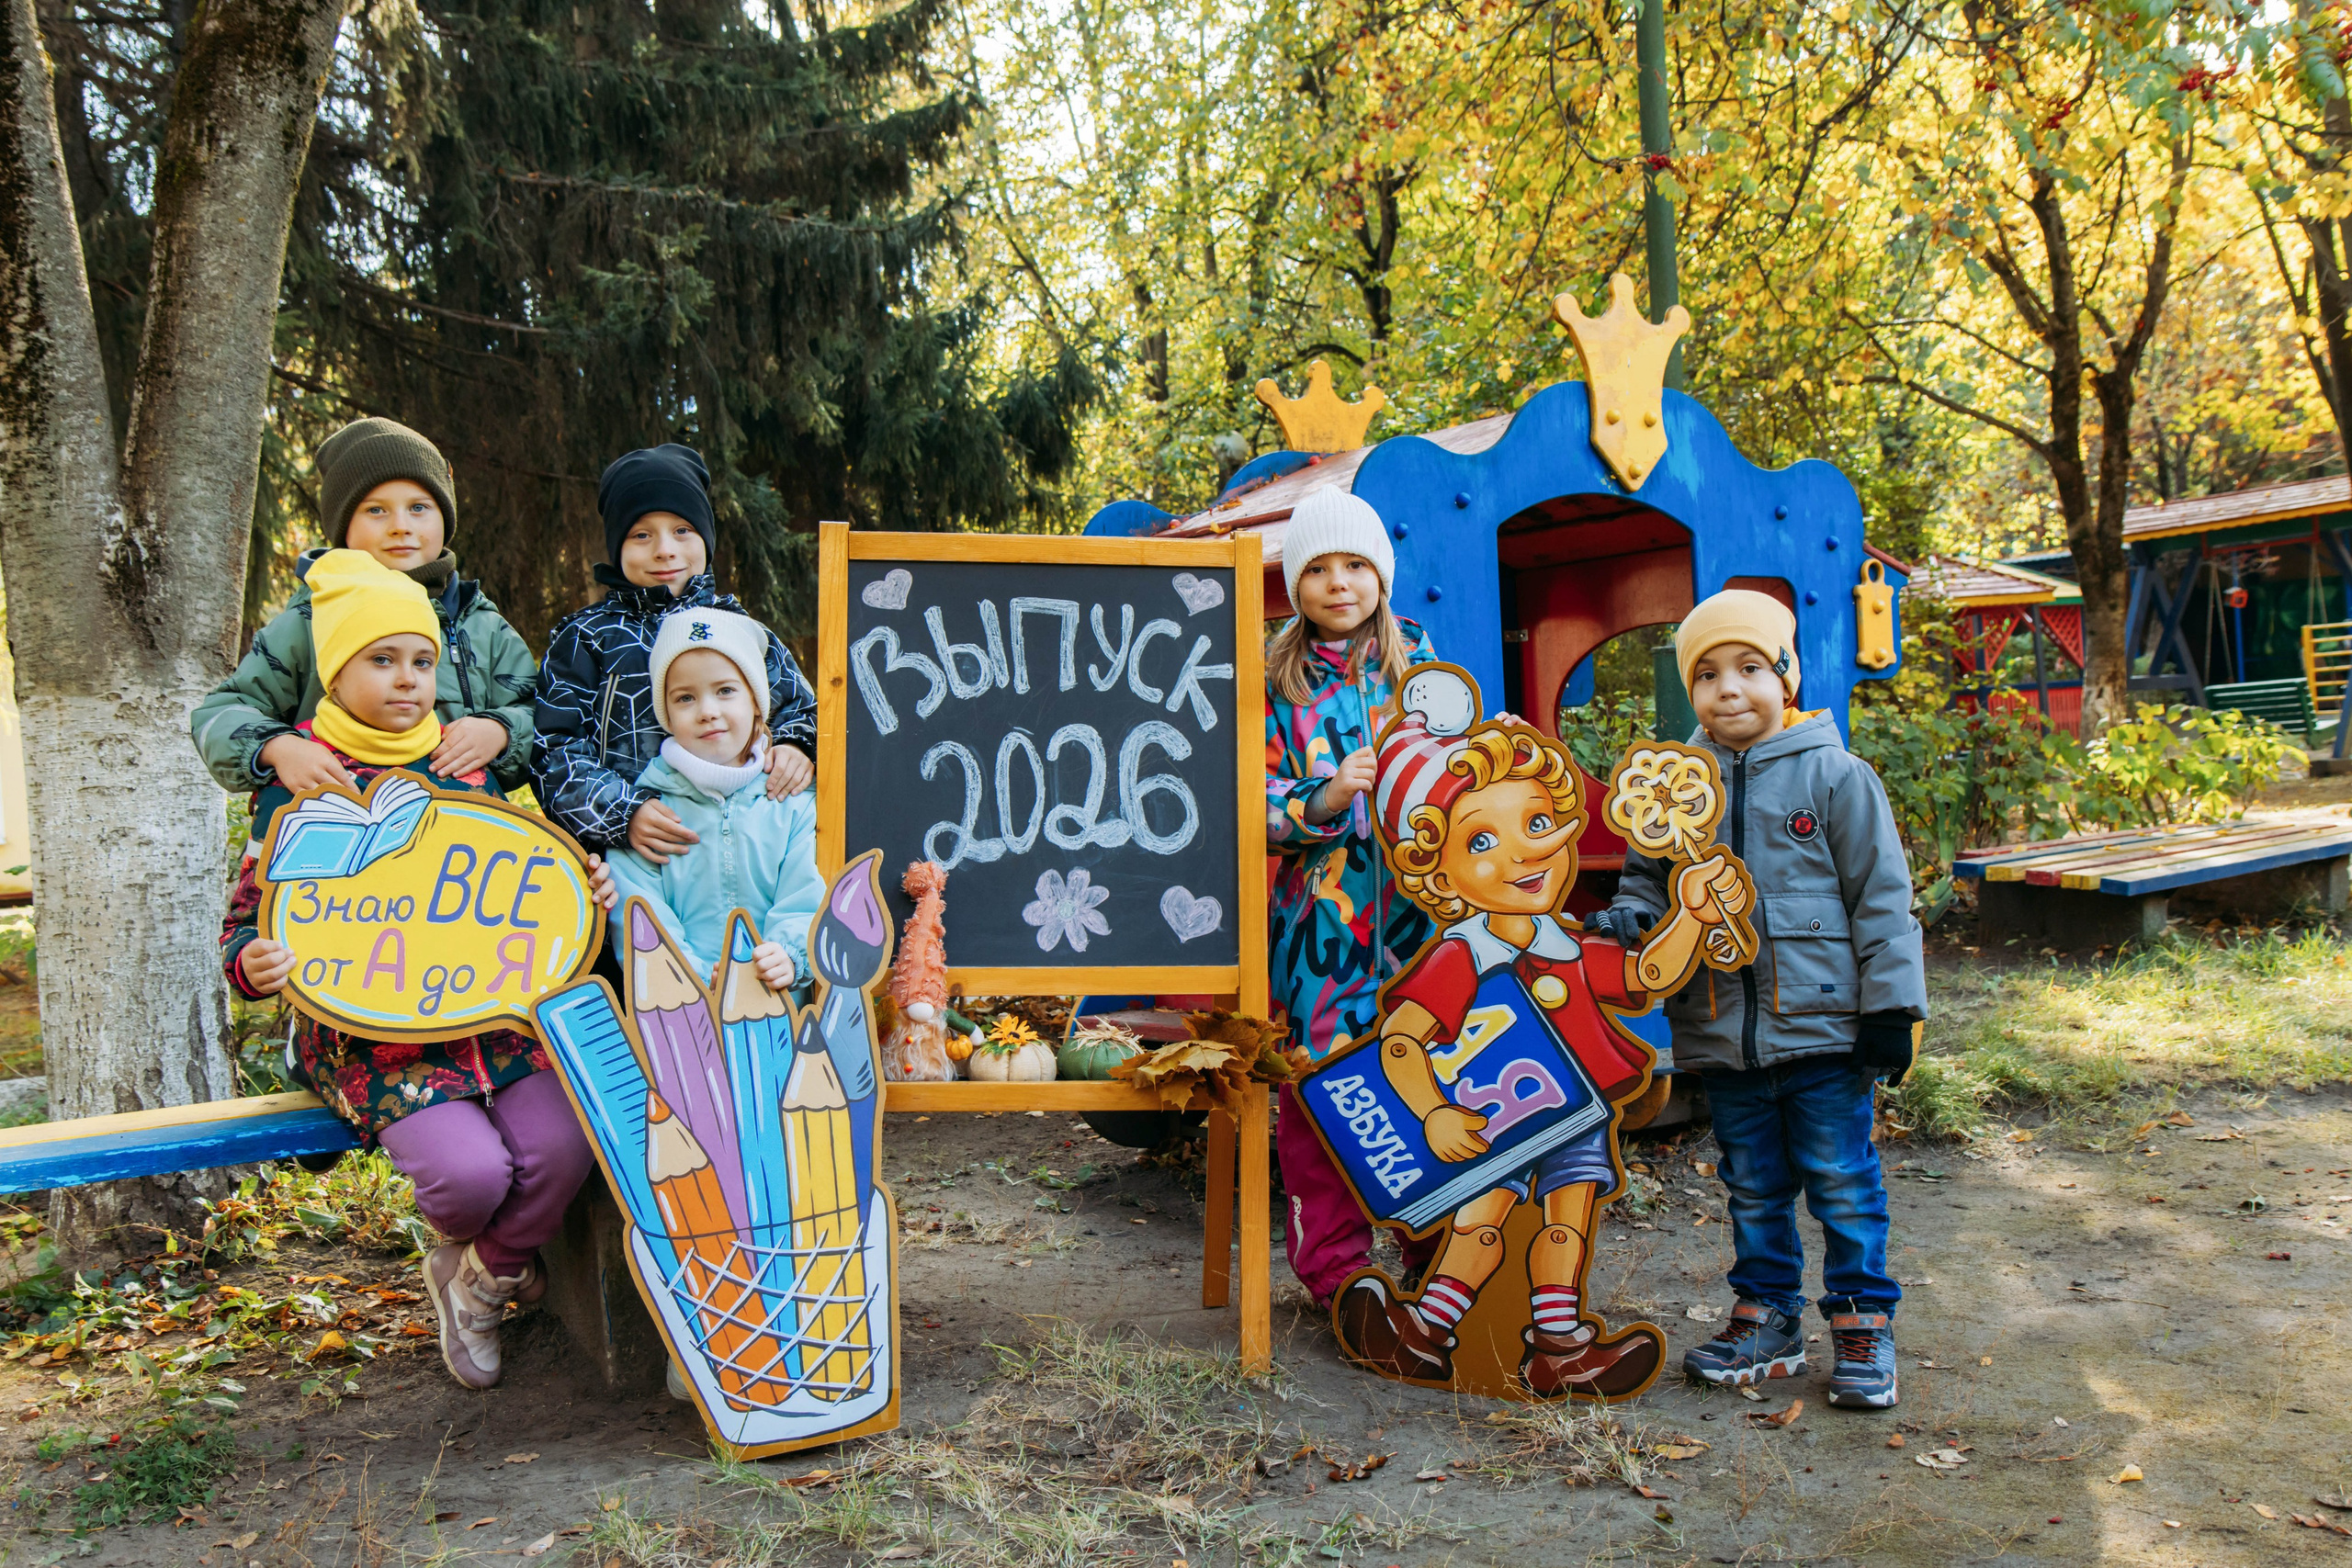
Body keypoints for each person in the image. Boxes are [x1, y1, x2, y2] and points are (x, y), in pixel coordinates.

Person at [220, 550, 611, 1392]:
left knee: (567, 1141)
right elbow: (247, 924)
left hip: (496, 1021)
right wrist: (253, 963)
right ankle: (480, 1247)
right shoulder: (299, 781)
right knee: (472, 1179)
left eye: (423, 661)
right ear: (337, 668)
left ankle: (479, 1278)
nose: (408, 680)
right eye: (382, 660)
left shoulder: (464, 770)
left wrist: (585, 887)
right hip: (377, 1041)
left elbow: (524, 881)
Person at [1330, 673, 1743, 1397]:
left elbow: (1646, 972)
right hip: (1491, 1118)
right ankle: (1424, 1334)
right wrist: (1434, 1111)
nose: (1522, 853)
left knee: (1567, 1223)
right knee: (1480, 1221)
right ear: (1440, 871)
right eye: (1482, 838)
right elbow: (1401, 1039)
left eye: (1536, 823)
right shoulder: (1462, 956)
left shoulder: (1567, 943)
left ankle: (1560, 1348)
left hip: (1573, 1109)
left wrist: (1693, 917)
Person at [1603, 589, 1926, 1410]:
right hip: (1719, 1031)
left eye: (1750, 667)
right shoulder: (1676, 789)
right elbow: (1646, 879)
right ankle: (1768, 1315)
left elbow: (1882, 899)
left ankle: (1861, 1319)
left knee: (1842, 1179)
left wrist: (1892, 1011)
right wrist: (1636, 916)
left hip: (1825, 1032)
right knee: (1752, 1183)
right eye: (1706, 674)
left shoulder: (1836, 776)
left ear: (1786, 675)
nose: (1729, 688)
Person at [1262, 486, 1442, 1309]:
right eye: (1320, 569)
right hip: (1318, 932)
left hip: (1419, 920)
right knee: (1321, 1089)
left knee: (1427, 1077)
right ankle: (1336, 1273)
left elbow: (1465, 778)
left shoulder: (1421, 667)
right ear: (1296, 585)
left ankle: (1437, 1250)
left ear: (1382, 575)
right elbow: (1244, 803)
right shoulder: (1275, 681)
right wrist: (1321, 800)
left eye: (1357, 565)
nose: (1340, 583)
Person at [191, 417, 538, 798]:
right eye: (376, 511)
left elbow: (545, 716)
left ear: (446, 517)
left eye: (419, 508)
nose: (400, 526)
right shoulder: (310, 622)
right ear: (343, 527)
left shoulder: (482, 626)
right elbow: (222, 712)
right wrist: (278, 748)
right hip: (334, 832)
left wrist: (502, 731)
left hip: (460, 838)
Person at [532, 445, 817, 862]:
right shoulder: (586, 638)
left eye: (682, 530)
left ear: (705, 536)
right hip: (623, 861)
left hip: (739, 852)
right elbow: (553, 750)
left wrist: (796, 747)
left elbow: (801, 707)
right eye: (641, 534)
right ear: (617, 545)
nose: (664, 549)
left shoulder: (740, 631)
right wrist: (622, 813)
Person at [601, 606, 824, 987]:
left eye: (725, 691)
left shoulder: (793, 802)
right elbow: (640, 918)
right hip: (682, 1022)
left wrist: (788, 954)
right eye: (685, 698)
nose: (707, 711)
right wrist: (698, 983)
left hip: (781, 1015)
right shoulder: (647, 814)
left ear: (755, 700)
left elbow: (806, 895)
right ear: (666, 714)